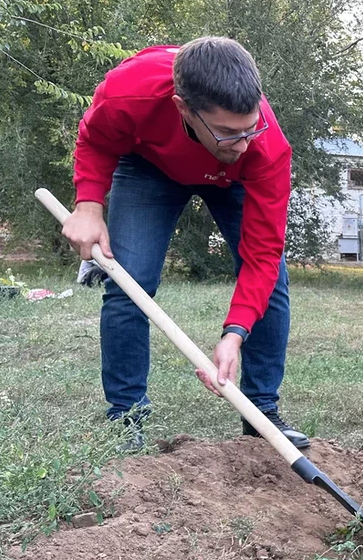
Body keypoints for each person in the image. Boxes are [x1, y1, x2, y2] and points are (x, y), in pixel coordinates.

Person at [62, 37, 309, 452]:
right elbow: (96, 140)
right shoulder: (131, 89)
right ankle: (126, 419)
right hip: (148, 166)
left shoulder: (263, 148)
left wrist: (235, 333)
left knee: (274, 282)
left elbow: (262, 254)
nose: (245, 141)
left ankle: (261, 413)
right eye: (230, 132)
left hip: (235, 180)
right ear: (183, 108)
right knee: (128, 285)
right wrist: (88, 205)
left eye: (251, 127)